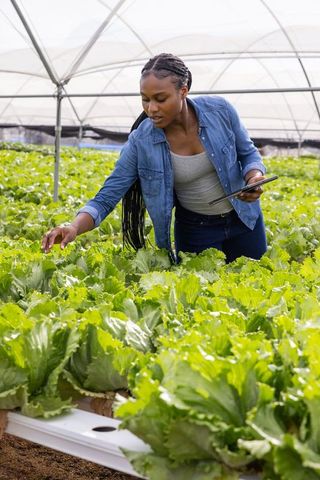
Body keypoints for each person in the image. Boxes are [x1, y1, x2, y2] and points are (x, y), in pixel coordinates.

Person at [42, 53, 267, 263]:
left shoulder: (220, 111)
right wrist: (73, 227)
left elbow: (248, 154)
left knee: (256, 289)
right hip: (197, 230)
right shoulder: (141, 141)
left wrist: (254, 178)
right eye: (145, 100)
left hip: (244, 219)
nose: (152, 109)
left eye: (160, 99)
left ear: (183, 91)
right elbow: (107, 197)